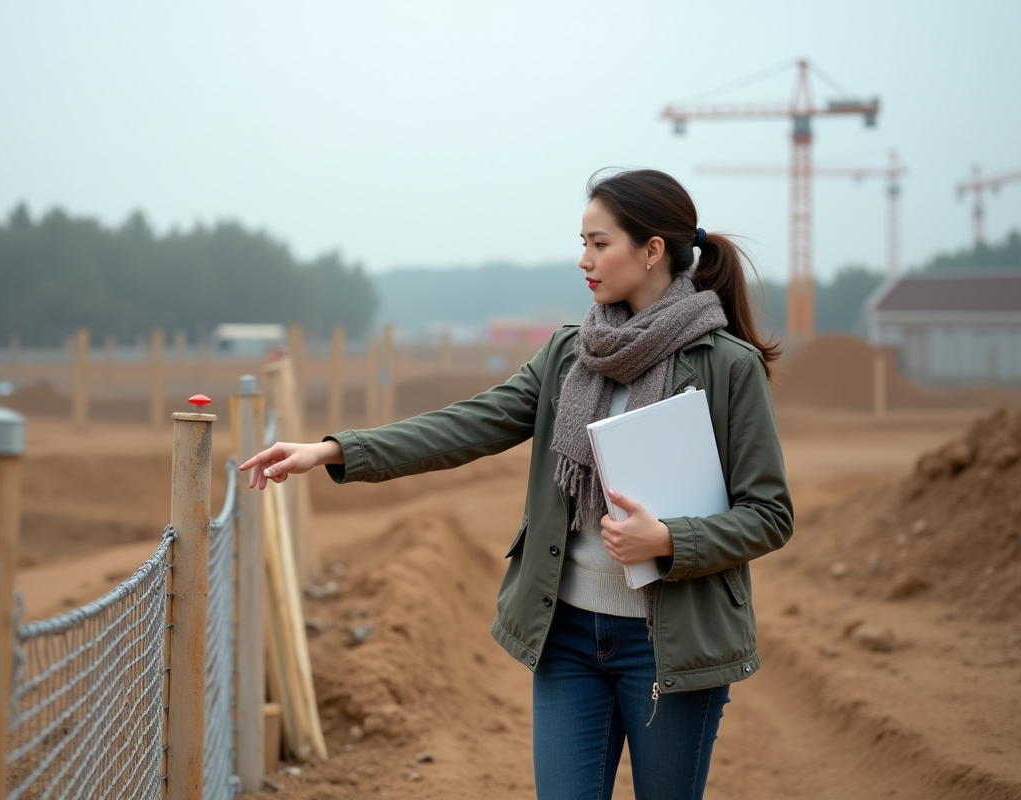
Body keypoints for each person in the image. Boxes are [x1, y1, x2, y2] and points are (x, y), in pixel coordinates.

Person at [238, 168, 793, 800]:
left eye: (598, 243)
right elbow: (466, 425)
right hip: (568, 638)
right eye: (581, 242)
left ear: (652, 250)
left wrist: (667, 540)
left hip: (668, 645)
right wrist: (334, 450)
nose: (583, 260)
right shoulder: (570, 355)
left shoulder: (727, 367)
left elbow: (769, 513)